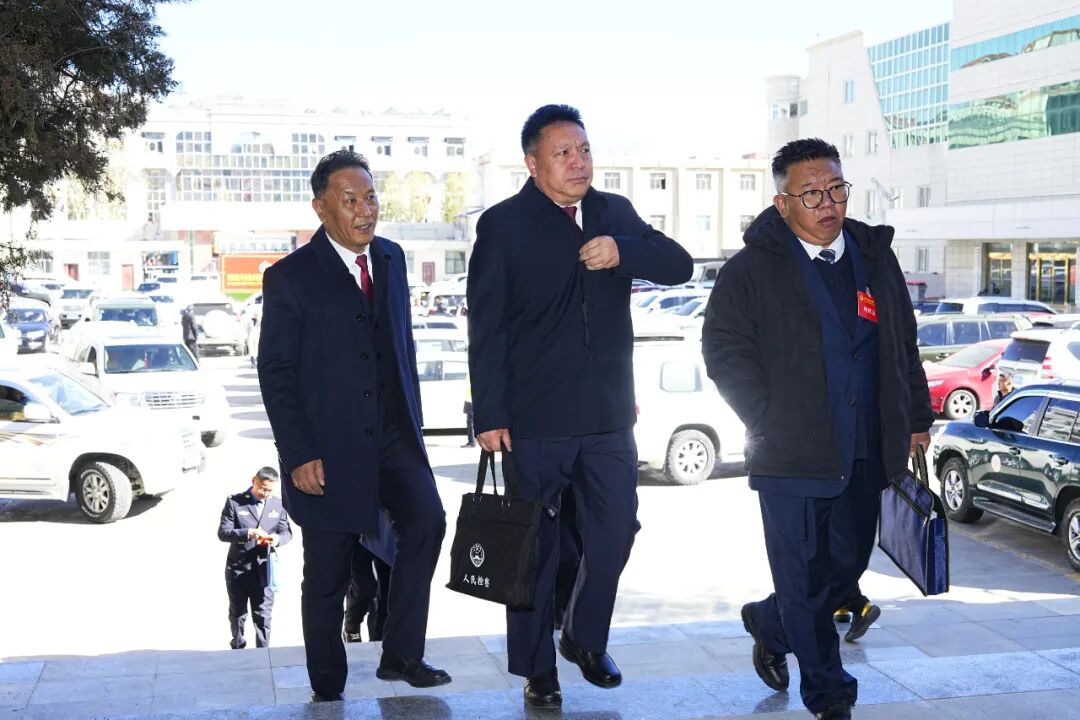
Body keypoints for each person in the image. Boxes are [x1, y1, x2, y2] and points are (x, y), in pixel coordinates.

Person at [467, 104, 693, 709]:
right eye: (563, 152)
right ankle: (537, 669)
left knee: (615, 533)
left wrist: (624, 251)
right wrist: (489, 413)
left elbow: (679, 265)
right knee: (533, 550)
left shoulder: (613, 212)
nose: (578, 162)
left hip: (608, 418)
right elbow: (486, 325)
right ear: (532, 162)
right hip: (534, 421)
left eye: (585, 150)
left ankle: (583, 637)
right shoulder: (503, 225)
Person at [702, 138, 933, 720]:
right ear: (783, 203)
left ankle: (770, 621)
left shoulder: (874, 256)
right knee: (802, 576)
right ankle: (830, 693)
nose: (827, 204)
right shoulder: (751, 269)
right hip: (789, 453)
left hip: (865, 446)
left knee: (845, 568)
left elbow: (902, 343)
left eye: (835, 189)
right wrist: (766, 417)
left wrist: (915, 417)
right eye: (811, 194)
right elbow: (724, 352)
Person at [258, 149, 450, 703]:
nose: (365, 210)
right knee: (328, 575)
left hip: (394, 438)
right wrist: (298, 454)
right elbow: (276, 371)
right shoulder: (289, 277)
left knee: (428, 521)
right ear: (321, 208)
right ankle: (327, 687)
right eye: (350, 200)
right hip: (327, 449)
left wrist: (414, 427)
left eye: (370, 197)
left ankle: (401, 653)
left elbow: (400, 347)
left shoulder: (390, 258)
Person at [217, 467, 293, 649]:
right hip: (238, 568)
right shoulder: (235, 502)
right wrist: (248, 533)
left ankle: (263, 652)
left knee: (263, 616)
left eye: (269, 490)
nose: (265, 494)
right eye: (262, 488)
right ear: (254, 481)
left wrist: (276, 539)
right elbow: (223, 533)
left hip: (264, 569)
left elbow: (286, 533)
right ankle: (238, 647)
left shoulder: (278, 505)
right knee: (238, 614)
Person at [343, 543, 391, 643]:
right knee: (363, 589)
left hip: (386, 538)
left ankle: (379, 635)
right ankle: (352, 626)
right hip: (358, 538)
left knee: (386, 590)